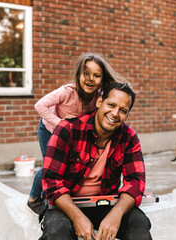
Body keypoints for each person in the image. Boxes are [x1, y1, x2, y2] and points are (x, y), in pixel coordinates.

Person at [39, 82, 152, 240]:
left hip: (105, 203)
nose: (114, 113)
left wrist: (116, 214)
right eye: (111, 105)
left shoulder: (129, 137)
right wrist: (77, 217)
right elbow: (51, 182)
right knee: (58, 230)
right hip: (66, 203)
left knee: (138, 223)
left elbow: (135, 182)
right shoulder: (68, 130)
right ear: (100, 102)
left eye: (122, 110)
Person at [27, 53, 124, 216]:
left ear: (102, 79)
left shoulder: (97, 96)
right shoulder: (67, 91)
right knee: (49, 165)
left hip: (69, 134)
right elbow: (40, 105)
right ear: (78, 74)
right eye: (86, 73)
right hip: (49, 128)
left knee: (66, 166)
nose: (90, 79)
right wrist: (60, 123)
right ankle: (33, 199)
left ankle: (48, 195)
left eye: (96, 75)